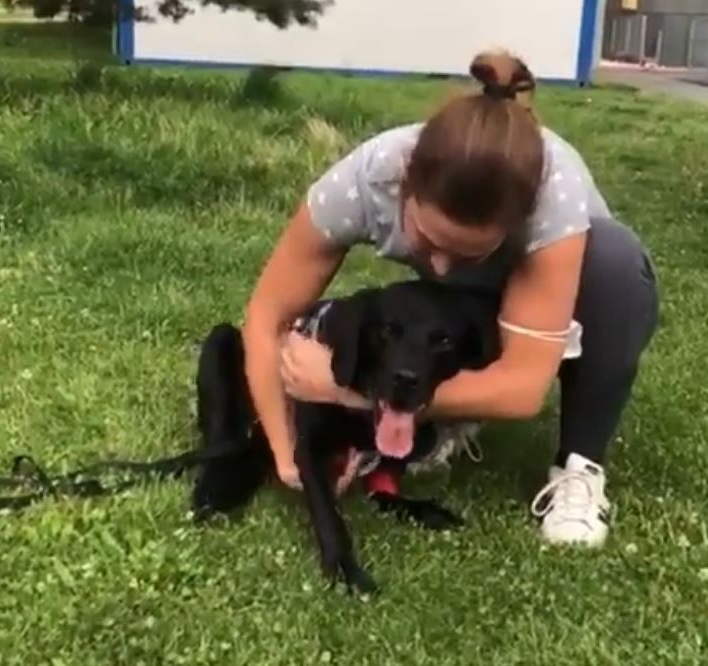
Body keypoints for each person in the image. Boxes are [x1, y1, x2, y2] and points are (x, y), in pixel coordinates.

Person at [241, 50, 659, 548]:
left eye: (466, 251)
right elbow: (267, 317)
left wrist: (343, 390)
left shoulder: (552, 197)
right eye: (426, 240)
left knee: (615, 263)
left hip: (564, 297)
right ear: (405, 187)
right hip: (464, 313)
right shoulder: (366, 180)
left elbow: (524, 388)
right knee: (437, 309)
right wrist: (285, 454)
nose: (439, 266)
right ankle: (444, 416)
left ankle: (578, 468)